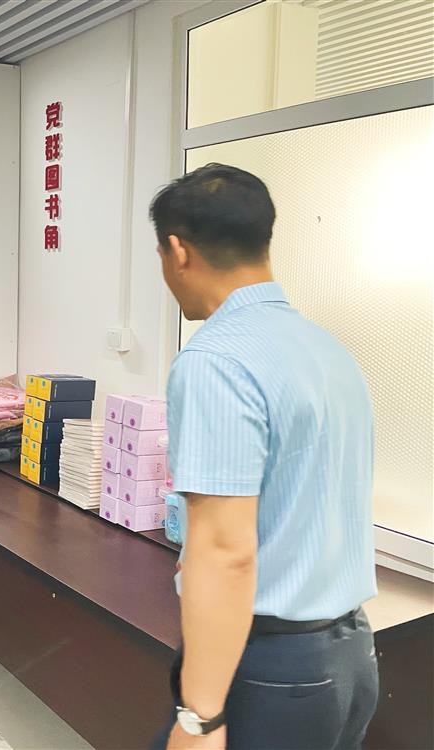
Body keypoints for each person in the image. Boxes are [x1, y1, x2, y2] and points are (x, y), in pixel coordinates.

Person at [150, 164, 378, 750]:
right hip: (350, 654)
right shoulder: (327, 349)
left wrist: (200, 718)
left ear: (178, 252)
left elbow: (225, 550)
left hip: (274, 667)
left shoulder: (215, 361)